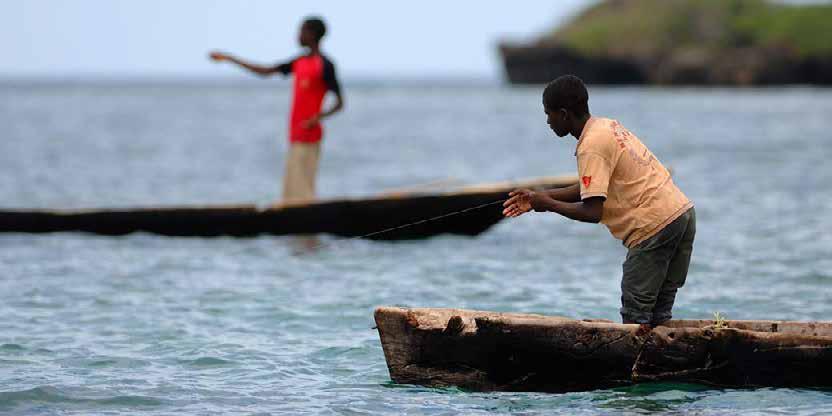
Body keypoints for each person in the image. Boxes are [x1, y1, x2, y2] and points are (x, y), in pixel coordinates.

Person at [503, 75, 695, 330]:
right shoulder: (606, 127)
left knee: (635, 315)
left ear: (564, 114)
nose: (548, 121)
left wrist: (547, 204)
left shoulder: (590, 146)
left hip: (654, 225)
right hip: (682, 214)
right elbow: (590, 188)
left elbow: (593, 211)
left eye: (548, 114)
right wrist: (541, 196)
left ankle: (638, 369)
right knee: (660, 315)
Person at [209, 16, 343, 203]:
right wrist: (230, 59)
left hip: (310, 134)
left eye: (302, 31)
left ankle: (305, 226)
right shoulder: (299, 62)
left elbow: (339, 103)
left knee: (303, 191)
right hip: (295, 134)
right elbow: (265, 71)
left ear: (312, 34)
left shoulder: (325, 65)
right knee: (291, 191)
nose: (298, 35)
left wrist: (317, 118)